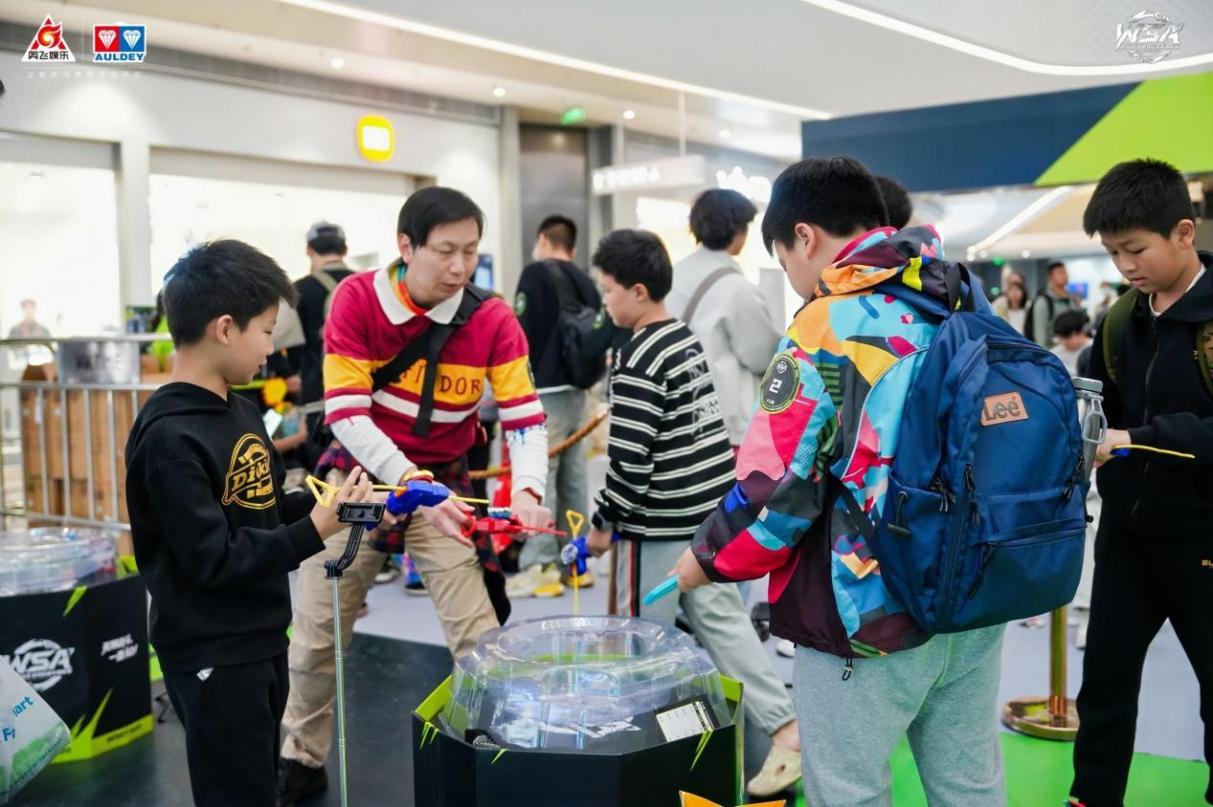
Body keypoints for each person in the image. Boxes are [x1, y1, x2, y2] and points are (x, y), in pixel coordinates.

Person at [672, 157, 1007, 806]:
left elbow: (776, 488)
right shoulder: (960, 296)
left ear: (803, 236)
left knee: (850, 791)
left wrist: (707, 558)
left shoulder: (827, 323)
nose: (794, 278)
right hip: (972, 590)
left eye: (783, 259)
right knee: (970, 786)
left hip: (869, 610)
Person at [277, 187, 552, 805]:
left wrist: (528, 488)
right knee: (317, 630)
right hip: (358, 480)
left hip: (443, 485)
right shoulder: (357, 300)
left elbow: (525, 419)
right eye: (445, 251)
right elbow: (347, 415)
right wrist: (412, 483)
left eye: (471, 252)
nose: (460, 266)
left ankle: (490, 750)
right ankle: (300, 753)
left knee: (479, 635)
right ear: (406, 246)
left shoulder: (492, 318)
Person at [124, 240, 380, 806]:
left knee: (260, 784)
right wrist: (315, 531)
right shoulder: (169, 438)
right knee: (235, 793)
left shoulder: (239, 410)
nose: (272, 347)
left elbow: (261, 508)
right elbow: (213, 558)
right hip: (211, 650)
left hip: (261, 635)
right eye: (266, 331)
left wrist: (331, 507)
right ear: (224, 328)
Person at [585, 228, 802, 798]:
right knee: (726, 626)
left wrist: (603, 524)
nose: (606, 302)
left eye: (608, 291)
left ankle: (642, 758)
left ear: (637, 291)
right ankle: (787, 732)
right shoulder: (682, 337)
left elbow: (629, 461)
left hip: (654, 529)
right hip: (704, 524)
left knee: (638, 642)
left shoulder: (637, 354)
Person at [1069, 158, 1213, 807]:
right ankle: (1091, 797)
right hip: (1126, 535)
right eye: (1112, 253)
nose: (1125, 265)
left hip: (1203, 539)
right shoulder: (1119, 320)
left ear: (1184, 232)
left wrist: (1137, 437)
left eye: (1135, 249)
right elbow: (1097, 404)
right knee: (1103, 680)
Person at [510, 214, 601, 597]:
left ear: (544, 238)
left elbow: (520, 333)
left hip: (545, 390)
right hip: (580, 391)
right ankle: (576, 563)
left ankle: (541, 565)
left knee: (540, 474)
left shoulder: (535, 274)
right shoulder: (587, 280)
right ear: (573, 247)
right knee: (574, 476)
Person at [665, 189, 783, 451]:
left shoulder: (673, 275)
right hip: (722, 423)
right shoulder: (737, 288)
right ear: (738, 230)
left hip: (677, 416)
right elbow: (762, 357)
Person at [1025, 260, 1082, 348]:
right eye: (1060, 273)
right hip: (1053, 350)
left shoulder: (1072, 299)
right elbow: (1040, 336)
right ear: (1050, 277)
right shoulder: (1043, 302)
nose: (1064, 276)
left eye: (1065, 272)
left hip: (1074, 350)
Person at [1051, 308, 1092, 376]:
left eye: (1067, 338)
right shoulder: (1054, 354)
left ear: (1081, 332)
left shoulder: (1093, 351)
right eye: (1060, 338)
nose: (1064, 342)